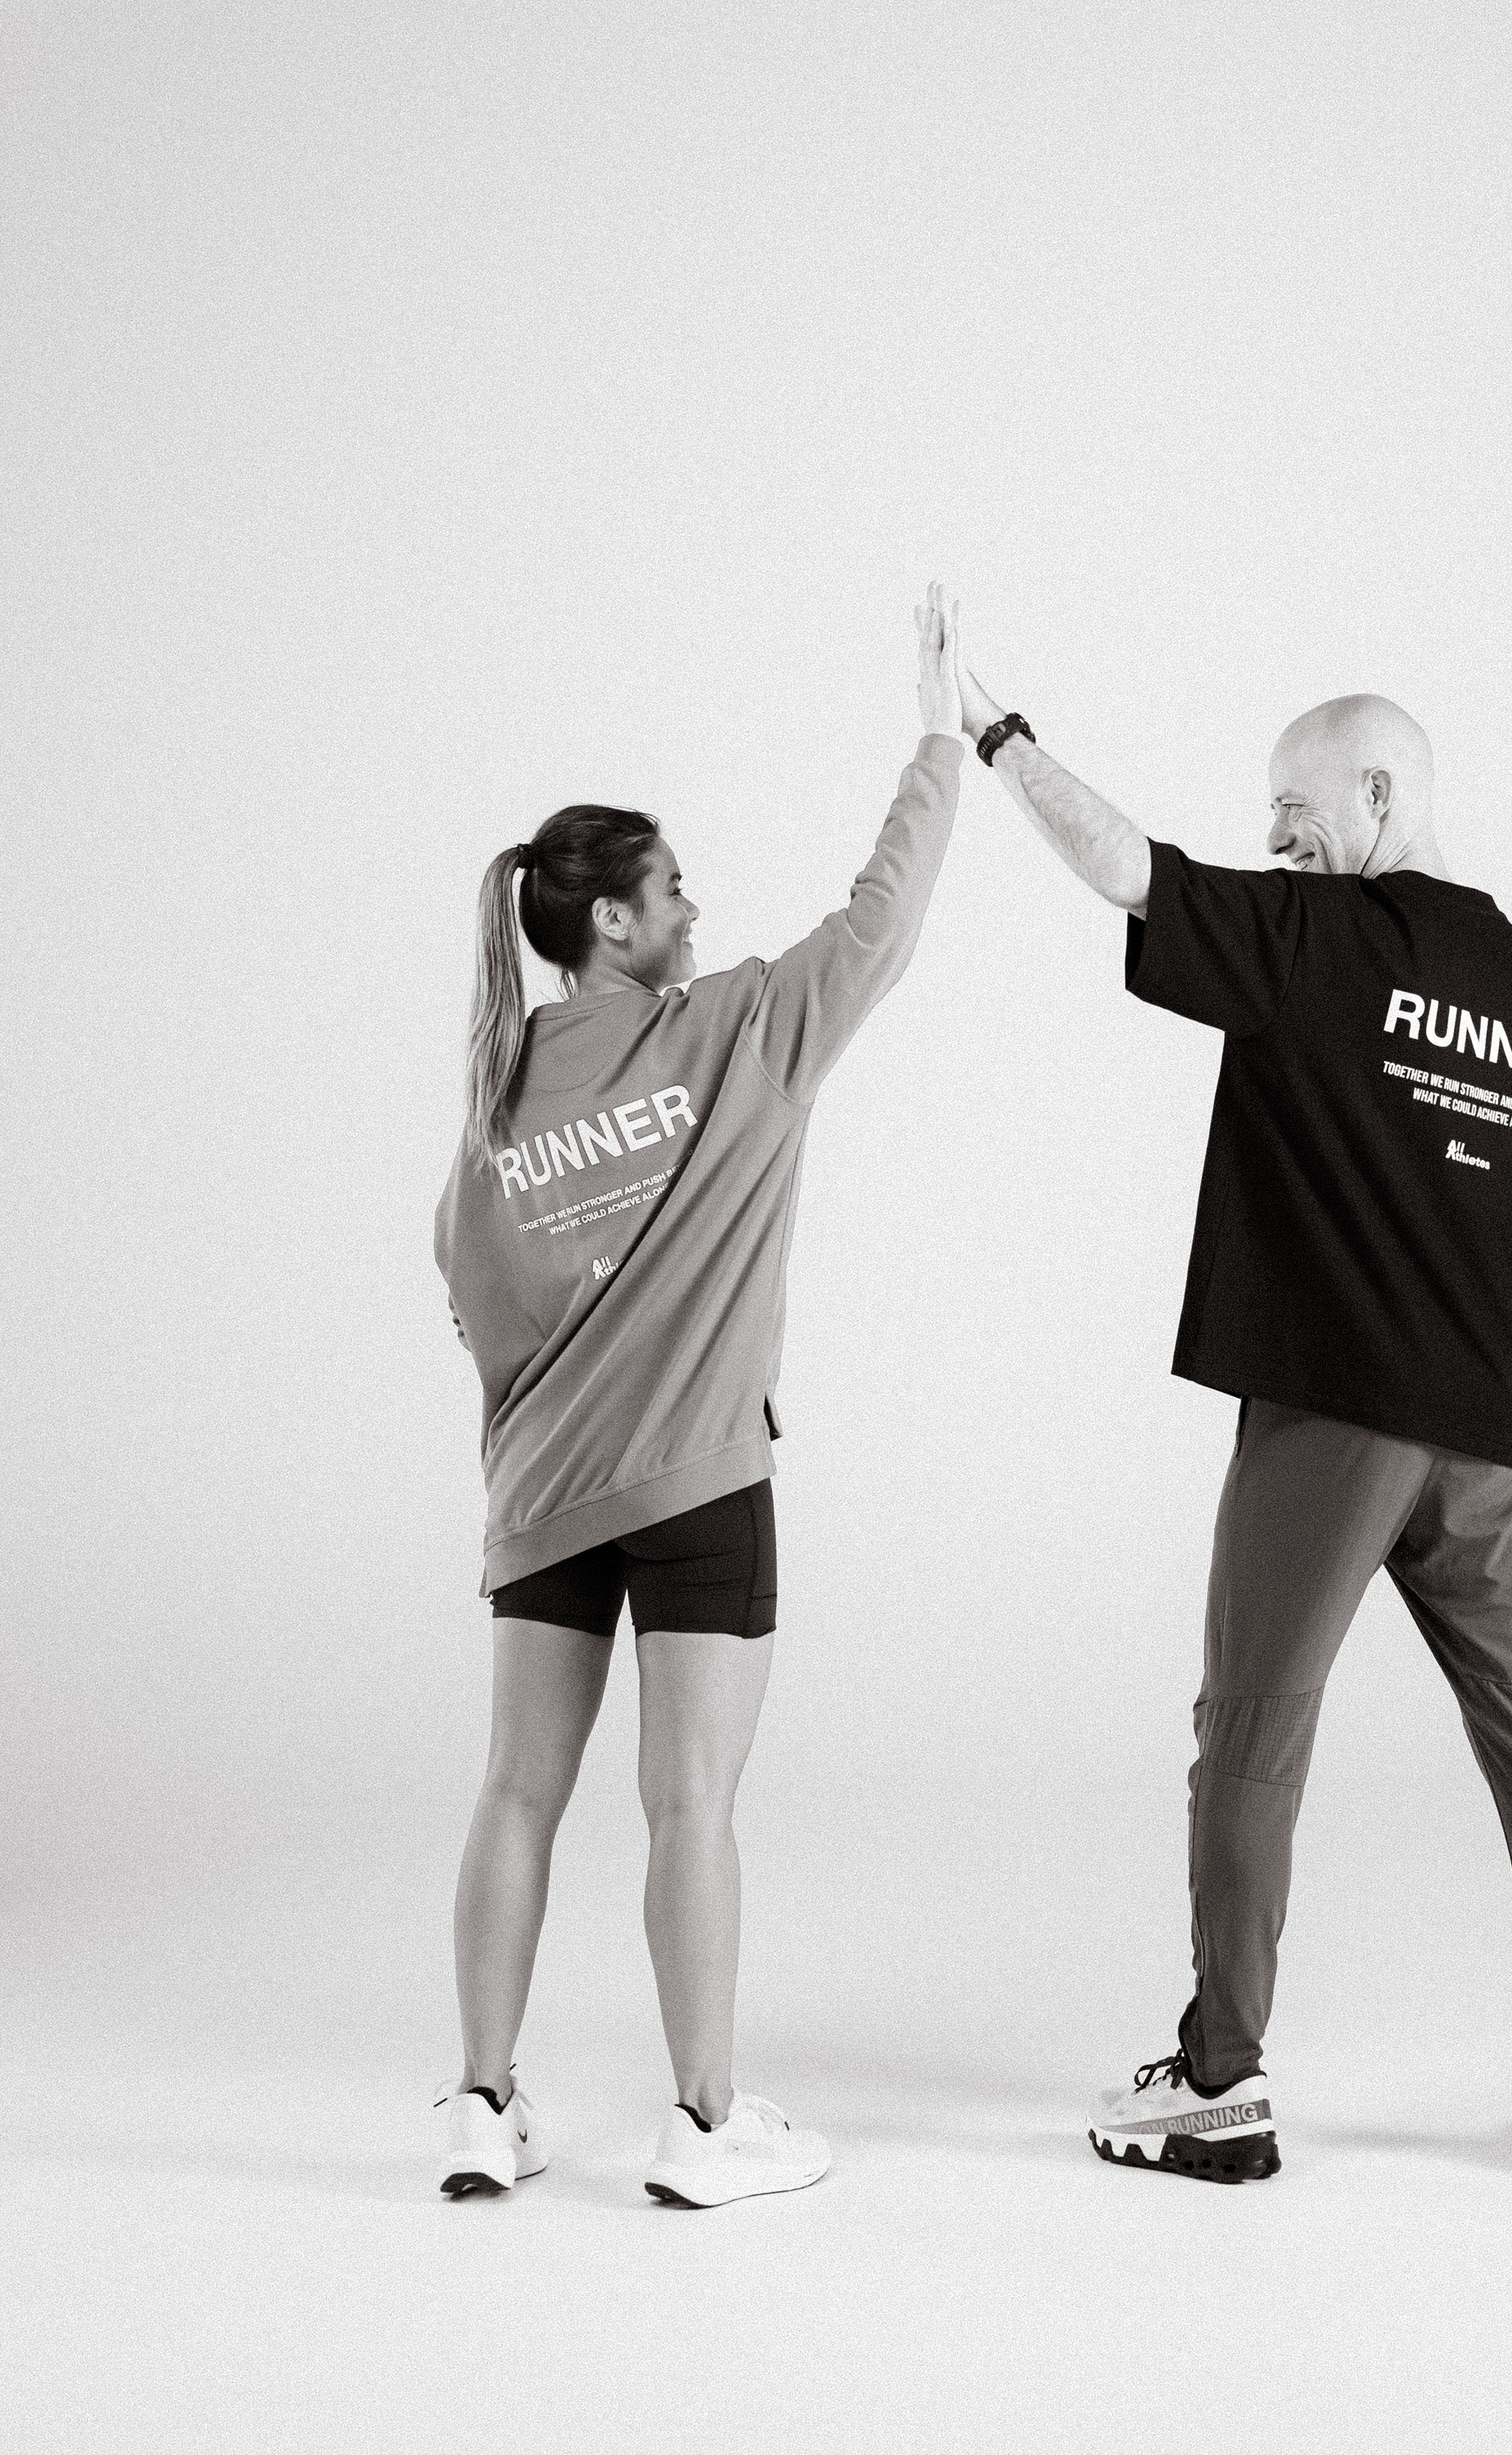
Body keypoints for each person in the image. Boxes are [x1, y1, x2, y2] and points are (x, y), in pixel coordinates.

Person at [954, 668, 1512, 2184]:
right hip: (1483, 1440)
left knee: (1250, 1735)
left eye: (1290, 806)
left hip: (1333, 1418)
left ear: (1376, 796)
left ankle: (1221, 2080)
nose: (1269, 837)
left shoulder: (1317, 941)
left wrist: (1000, 740)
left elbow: (1124, 868)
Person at [431, 587, 965, 2206]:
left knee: (519, 1786)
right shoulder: (733, 1032)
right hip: (700, 1486)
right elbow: (880, 917)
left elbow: (472, 1290)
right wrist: (938, 738)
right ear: (610, 923)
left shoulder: (497, 1091)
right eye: (669, 883)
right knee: (691, 1802)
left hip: (540, 1497)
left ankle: (475, 2100)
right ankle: (708, 2120)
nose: (690, 901)